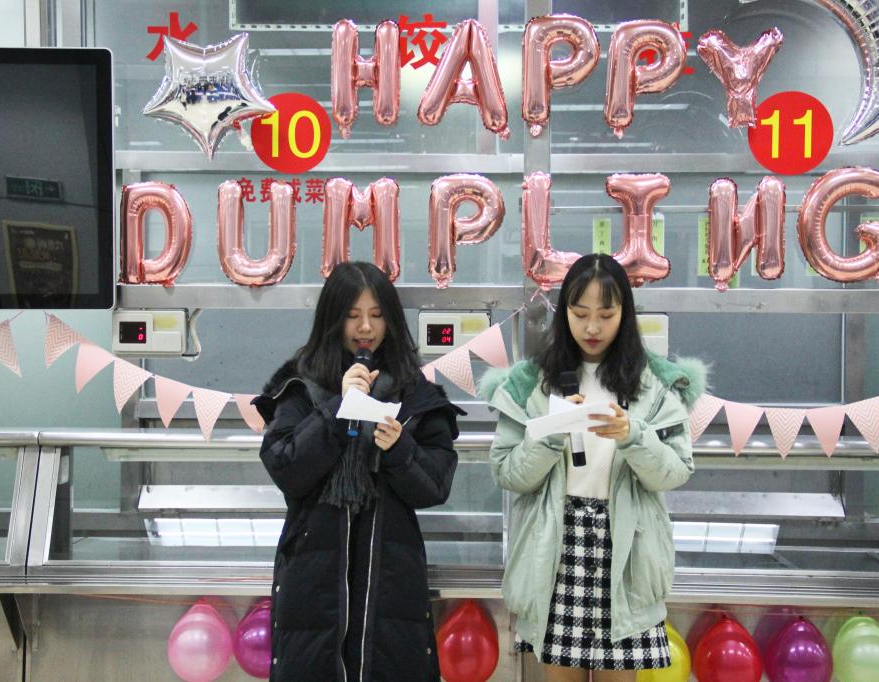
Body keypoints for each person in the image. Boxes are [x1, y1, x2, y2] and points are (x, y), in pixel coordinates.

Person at [480, 254, 707, 682]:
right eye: (580, 313)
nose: (592, 327)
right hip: (556, 546)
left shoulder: (654, 383)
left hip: (627, 550)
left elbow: (675, 471)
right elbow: (508, 473)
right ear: (563, 312)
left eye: (606, 314)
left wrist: (633, 435)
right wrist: (551, 432)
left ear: (625, 314)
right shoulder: (531, 382)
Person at [253, 261, 464, 681]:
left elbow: (435, 486)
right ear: (332, 320)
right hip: (312, 579)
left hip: (392, 579)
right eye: (352, 315)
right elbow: (286, 469)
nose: (365, 327)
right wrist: (338, 410)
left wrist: (400, 450)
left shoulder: (416, 394)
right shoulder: (299, 386)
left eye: (376, 315)